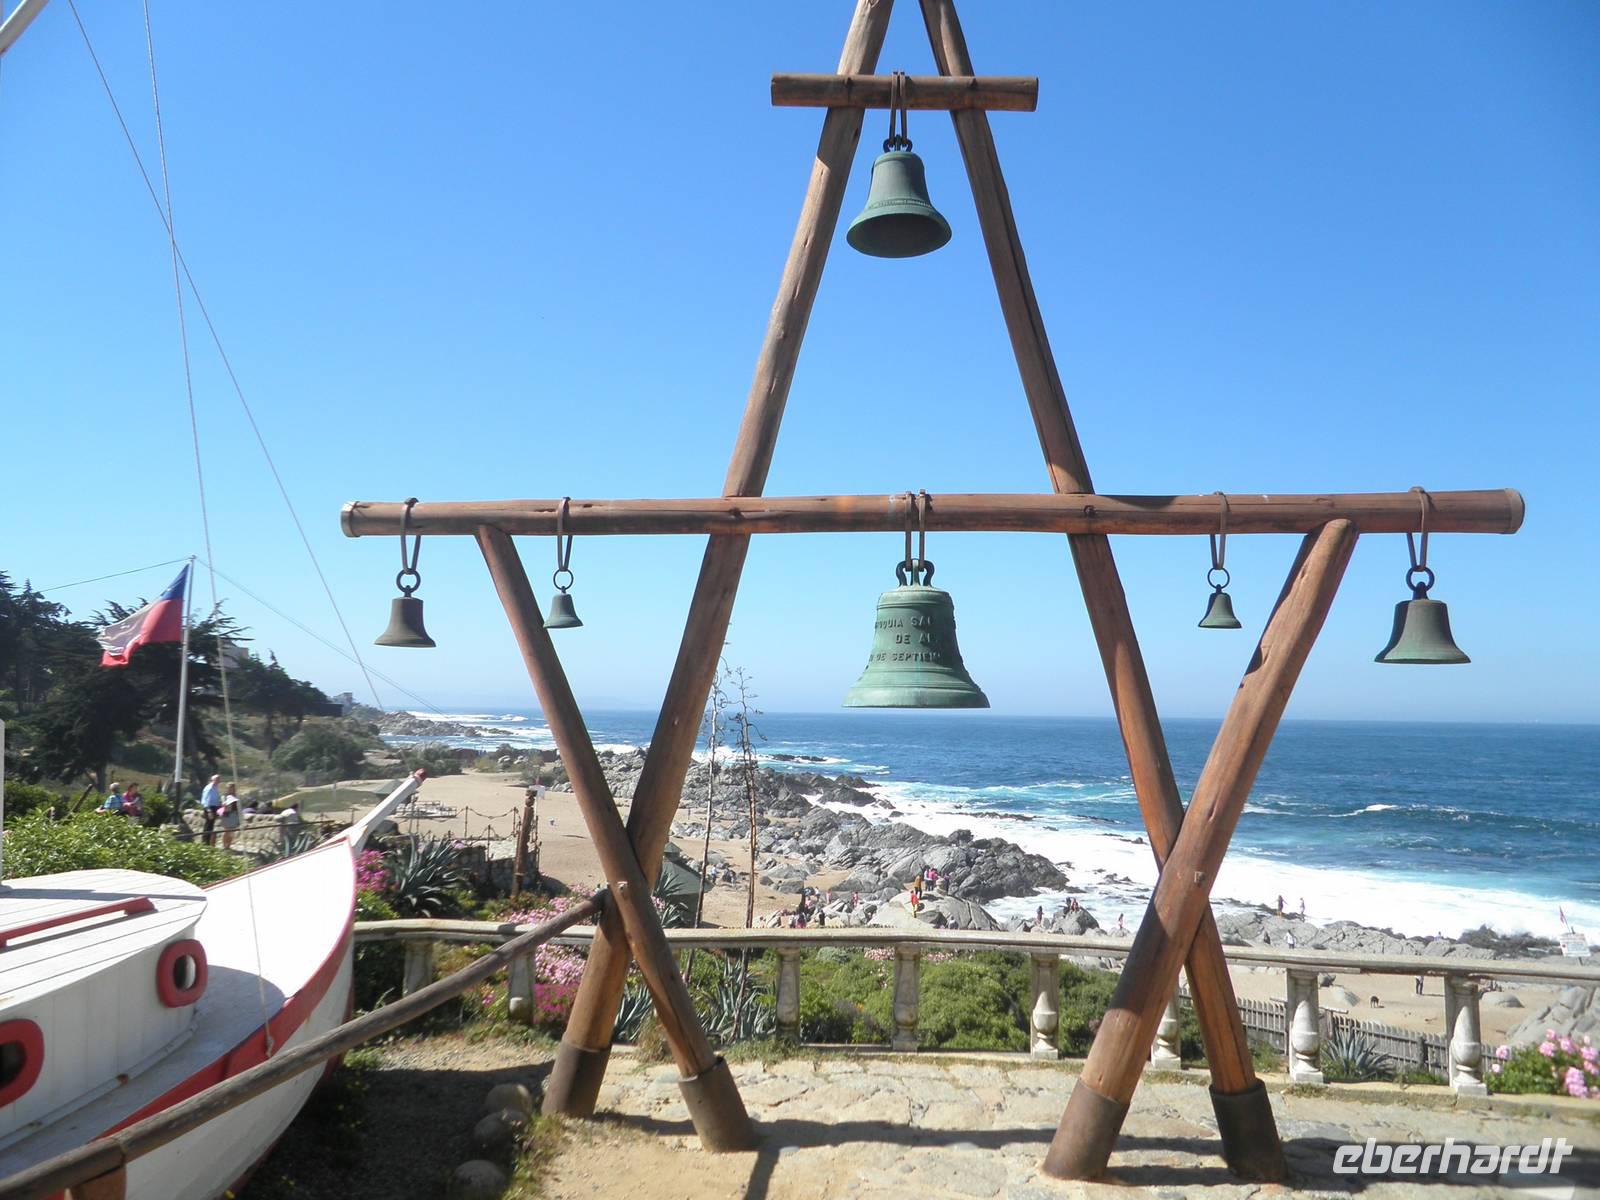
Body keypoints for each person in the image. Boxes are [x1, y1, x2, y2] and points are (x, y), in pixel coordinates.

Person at [200, 774, 223, 846]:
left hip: (214, 807)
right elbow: (206, 800)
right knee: (208, 825)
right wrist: (209, 811)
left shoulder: (215, 788)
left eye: (219, 779)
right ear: (213, 780)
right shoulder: (209, 788)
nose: (219, 781)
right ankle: (205, 842)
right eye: (217, 779)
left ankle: (207, 842)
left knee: (210, 826)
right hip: (209, 808)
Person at [220, 782, 243, 851]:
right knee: (226, 831)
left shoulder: (236, 796)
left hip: (234, 814)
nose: (230, 789)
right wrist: (225, 804)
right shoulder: (224, 796)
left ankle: (228, 845)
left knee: (232, 831)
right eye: (229, 788)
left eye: (232, 788)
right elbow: (223, 803)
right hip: (227, 814)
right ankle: (225, 846)